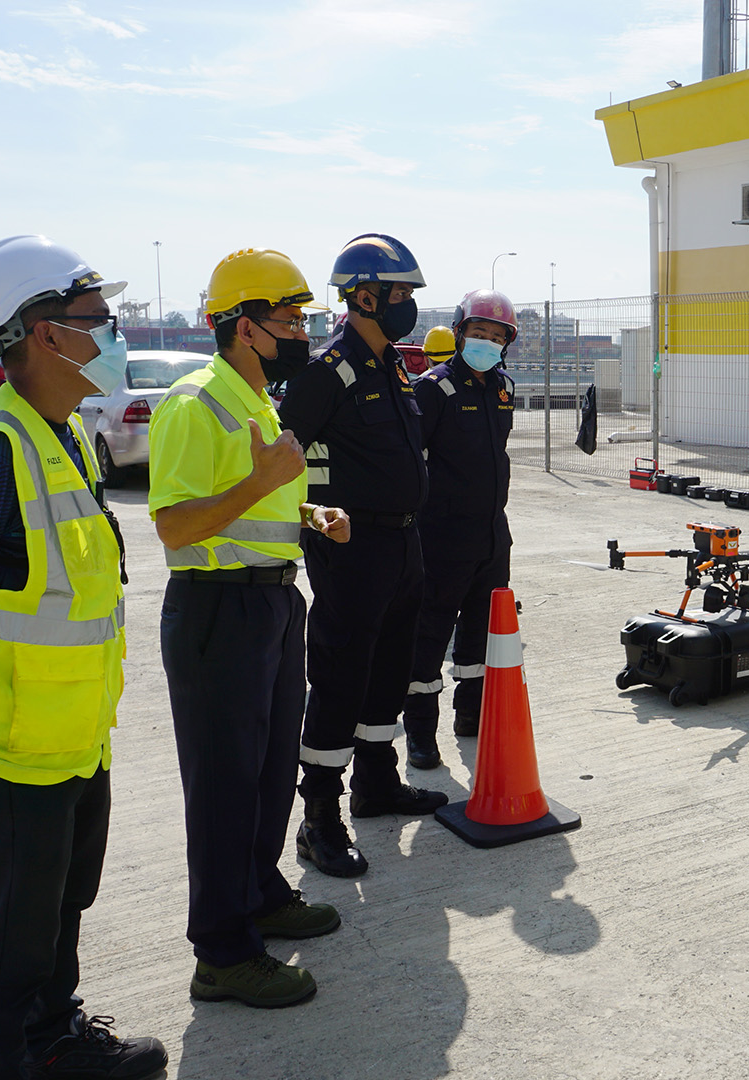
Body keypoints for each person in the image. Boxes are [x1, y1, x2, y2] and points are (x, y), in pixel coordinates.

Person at [0, 235, 165, 1079]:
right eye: (100, 320)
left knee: (59, 913)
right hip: (7, 746)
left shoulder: (66, 435)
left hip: (74, 736)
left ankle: (53, 1045)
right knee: (8, 946)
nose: (113, 335)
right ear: (44, 333)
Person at [149, 248, 350, 1008]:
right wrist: (266, 482)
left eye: (302, 317)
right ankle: (223, 952)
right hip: (217, 610)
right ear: (242, 327)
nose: (300, 332)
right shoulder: (194, 403)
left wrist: (305, 512)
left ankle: (262, 895)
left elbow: (248, 504)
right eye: (288, 319)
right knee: (226, 785)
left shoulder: (258, 400)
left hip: (271, 602)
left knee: (268, 772)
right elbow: (175, 526)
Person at [278, 233, 446, 880]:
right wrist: (313, 519)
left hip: (405, 542)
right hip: (351, 549)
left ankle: (379, 782)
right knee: (342, 678)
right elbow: (285, 463)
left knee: (391, 670)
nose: (409, 305)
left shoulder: (392, 368)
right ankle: (320, 816)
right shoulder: (329, 374)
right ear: (365, 296)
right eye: (402, 293)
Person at [403, 290, 519, 770]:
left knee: (481, 635)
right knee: (428, 636)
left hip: (492, 537)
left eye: (497, 336)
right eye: (479, 333)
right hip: (442, 538)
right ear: (459, 333)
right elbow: (412, 462)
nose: (487, 343)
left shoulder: (502, 387)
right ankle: (420, 736)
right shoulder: (433, 388)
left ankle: (469, 716)